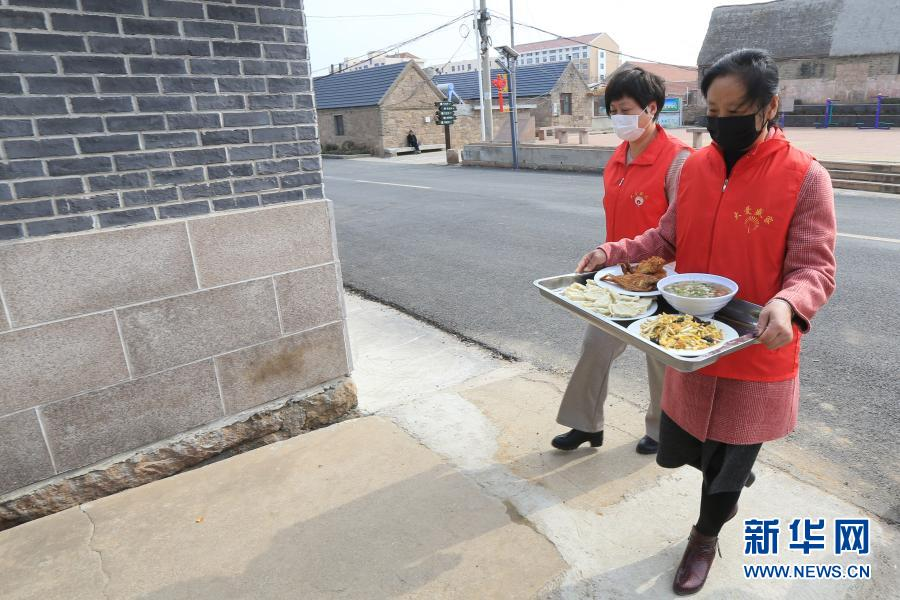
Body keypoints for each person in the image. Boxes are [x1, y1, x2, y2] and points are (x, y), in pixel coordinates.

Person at [578, 48, 836, 595]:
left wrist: (789, 304)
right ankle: (728, 485)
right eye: (712, 112)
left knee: (731, 457)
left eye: (735, 110)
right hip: (690, 336)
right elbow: (665, 238)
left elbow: (815, 267)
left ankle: (704, 536)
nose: (722, 124)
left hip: (755, 340)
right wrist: (613, 250)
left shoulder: (805, 177)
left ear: (769, 106)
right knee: (693, 448)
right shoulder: (693, 167)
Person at [553, 66, 692, 455]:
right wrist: (607, 257)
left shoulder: (679, 160)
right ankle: (586, 425)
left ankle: (663, 433)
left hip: (663, 276)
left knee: (659, 358)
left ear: (651, 109)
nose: (618, 117)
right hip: (617, 276)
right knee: (595, 346)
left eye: (625, 108)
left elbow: (680, 230)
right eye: (612, 109)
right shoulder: (618, 157)